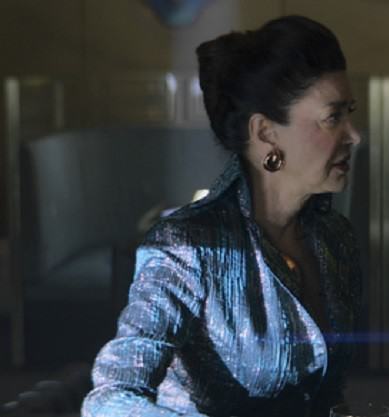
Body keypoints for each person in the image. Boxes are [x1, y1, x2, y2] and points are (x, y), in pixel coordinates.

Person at [82, 15, 362, 417]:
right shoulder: (189, 247)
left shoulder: (335, 238)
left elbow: (329, 395)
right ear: (266, 133)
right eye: (333, 117)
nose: (354, 135)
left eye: (349, 112)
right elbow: (110, 399)